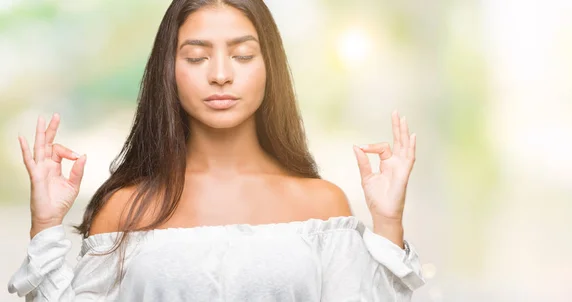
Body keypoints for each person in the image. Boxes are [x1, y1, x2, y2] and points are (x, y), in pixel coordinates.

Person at [8, 0, 424, 301]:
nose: (221, 75)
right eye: (196, 57)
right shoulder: (124, 208)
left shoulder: (321, 204)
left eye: (242, 55)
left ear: (270, 68)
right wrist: (45, 222)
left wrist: (387, 222)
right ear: (168, 71)